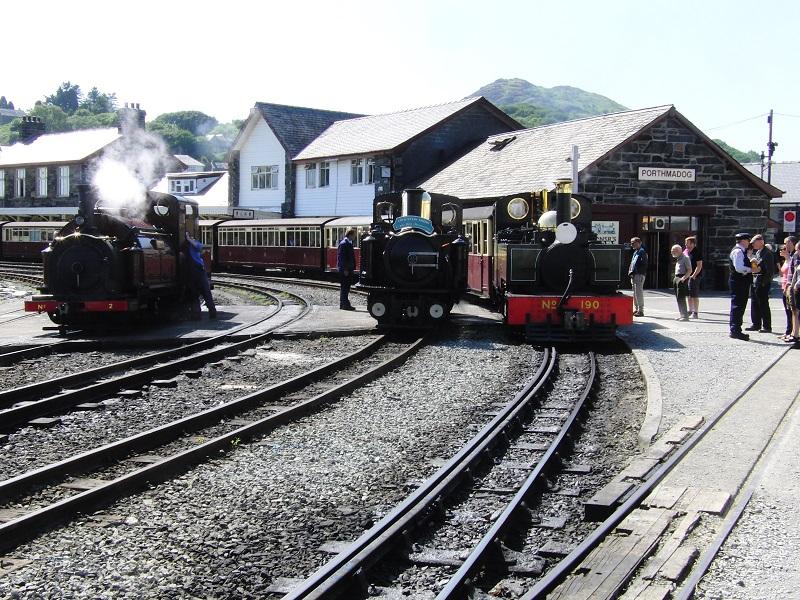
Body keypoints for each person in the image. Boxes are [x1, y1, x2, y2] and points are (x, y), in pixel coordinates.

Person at [746, 234, 775, 333]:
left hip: (762, 282)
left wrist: (764, 283)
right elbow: (756, 267)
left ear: (761, 242)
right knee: (755, 303)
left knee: (763, 304)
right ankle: (756, 324)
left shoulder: (767, 253)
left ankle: (767, 326)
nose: (752, 245)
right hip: (755, 280)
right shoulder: (758, 252)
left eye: (754, 242)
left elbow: (770, 271)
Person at [185, 231, 217, 320]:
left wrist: (189, 239)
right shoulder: (186, 246)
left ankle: (212, 312)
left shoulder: (195, 244)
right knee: (194, 294)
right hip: (192, 272)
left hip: (199, 270)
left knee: (206, 292)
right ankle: (196, 315)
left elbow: (200, 247)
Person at [729, 232, 753, 340]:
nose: (749, 242)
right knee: (738, 306)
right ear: (743, 241)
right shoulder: (738, 251)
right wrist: (751, 270)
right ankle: (735, 330)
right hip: (739, 282)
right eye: (748, 240)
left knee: (739, 306)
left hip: (740, 282)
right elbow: (739, 268)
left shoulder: (741, 251)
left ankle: (735, 329)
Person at [779, 236, 798, 341]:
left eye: (786, 243)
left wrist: (787, 258)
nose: (784, 245)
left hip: (791, 286)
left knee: (793, 311)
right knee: (789, 311)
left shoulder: (794, 256)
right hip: (786, 286)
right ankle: (789, 331)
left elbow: (794, 271)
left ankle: (793, 333)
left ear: (791, 243)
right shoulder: (790, 255)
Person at [337, 228, 357, 311]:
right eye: (354, 235)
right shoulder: (344, 243)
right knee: (345, 287)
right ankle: (345, 304)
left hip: (347, 269)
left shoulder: (347, 243)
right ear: (350, 235)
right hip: (345, 270)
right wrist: (345, 269)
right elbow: (342, 258)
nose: (355, 237)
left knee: (345, 287)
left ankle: (343, 304)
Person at [684, 236, 703, 318]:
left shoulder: (697, 252)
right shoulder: (687, 252)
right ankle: (690, 310)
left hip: (695, 276)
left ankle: (695, 313)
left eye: (687, 243)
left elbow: (699, 266)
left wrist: (694, 275)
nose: (686, 245)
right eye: (685, 243)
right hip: (688, 275)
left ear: (692, 244)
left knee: (694, 295)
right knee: (688, 294)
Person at [672, 244, 692, 321]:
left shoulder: (685, 258)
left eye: (673, 251)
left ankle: (685, 316)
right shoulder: (678, 258)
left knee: (681, 297)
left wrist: (683, 278)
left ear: (678, 251)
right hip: (677, 277)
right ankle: (682, 314)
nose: (672, 252)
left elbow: (689, 270)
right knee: (678, 298)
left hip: (682, 278)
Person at [628, 237, 648, 317]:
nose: (632, 244)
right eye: (631, 243)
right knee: (635, 293)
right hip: (634, 275)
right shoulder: (636, 252)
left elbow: (644, 264)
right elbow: (632, 263)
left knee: (638, 293)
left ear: (639, 243)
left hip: (639, 275)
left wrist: (638, 272)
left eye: (633, 243)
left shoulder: (642, 252)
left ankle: (641, 310)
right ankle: (637, 309)